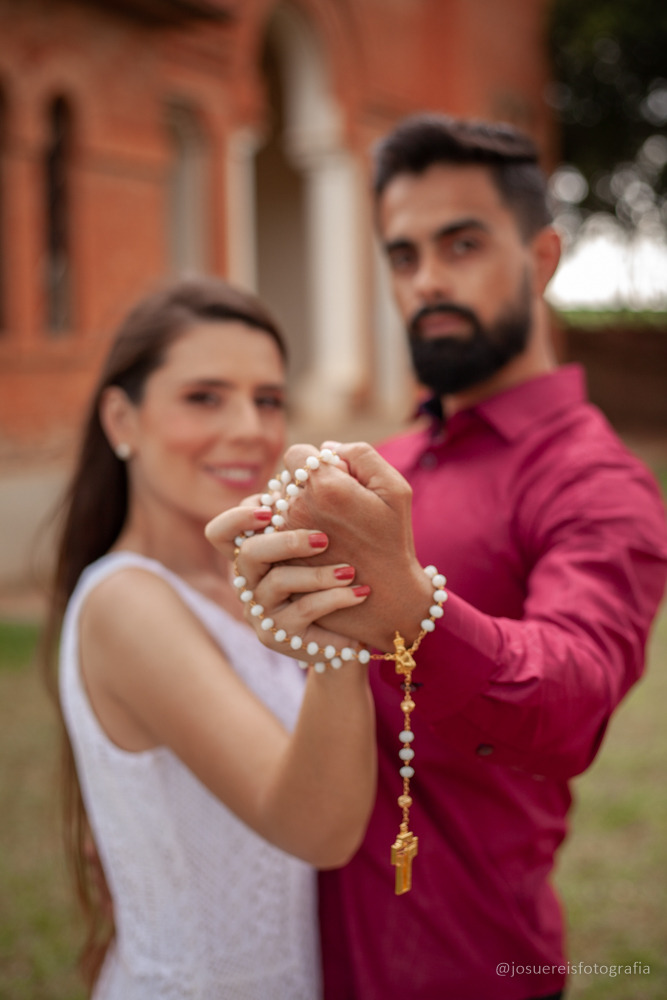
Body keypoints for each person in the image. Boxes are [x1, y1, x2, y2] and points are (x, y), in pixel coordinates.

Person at [206, 116, 667, 1000]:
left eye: (461, 245)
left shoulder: (596, 482)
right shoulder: (383, 470)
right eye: (403, 254)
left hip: (468, 959)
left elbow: (574, 696)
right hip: (297, 950)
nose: (427, 281)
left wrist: (416, 613)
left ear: (538, 261)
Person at [42, 276, 377, 999]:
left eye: (267, 399)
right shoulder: (127, 603)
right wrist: (337, 646)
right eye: (204, 397)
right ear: (121, 420)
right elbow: (317, 830)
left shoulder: (244, 588)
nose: (250, 430)